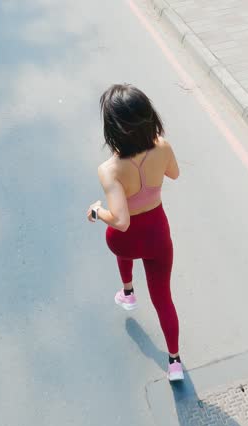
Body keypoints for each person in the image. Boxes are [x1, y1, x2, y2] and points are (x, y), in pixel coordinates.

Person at [87, 84, 183, 382]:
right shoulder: (162, 147)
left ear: (112, 129)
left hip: (125, 241)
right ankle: (175, 362)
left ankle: (128, 292)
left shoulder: (109, 170)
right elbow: (174, 174)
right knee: (163, 298)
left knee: (124, 250)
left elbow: (120, 220)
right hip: (157, 233)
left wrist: (95, 211)